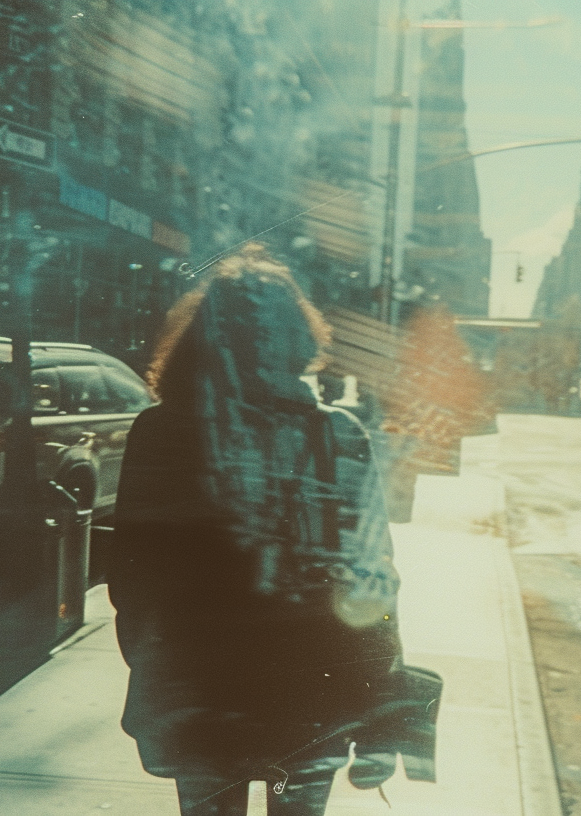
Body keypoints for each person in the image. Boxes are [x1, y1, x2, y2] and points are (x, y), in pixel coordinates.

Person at [109, 243, 430, 815]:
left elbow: (132, 578)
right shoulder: (338, 438)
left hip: (203, 697)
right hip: (306, 699)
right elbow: (374, 575)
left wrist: (158, 666)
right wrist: (381, 679)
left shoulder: (160, 432)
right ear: (298, 339)